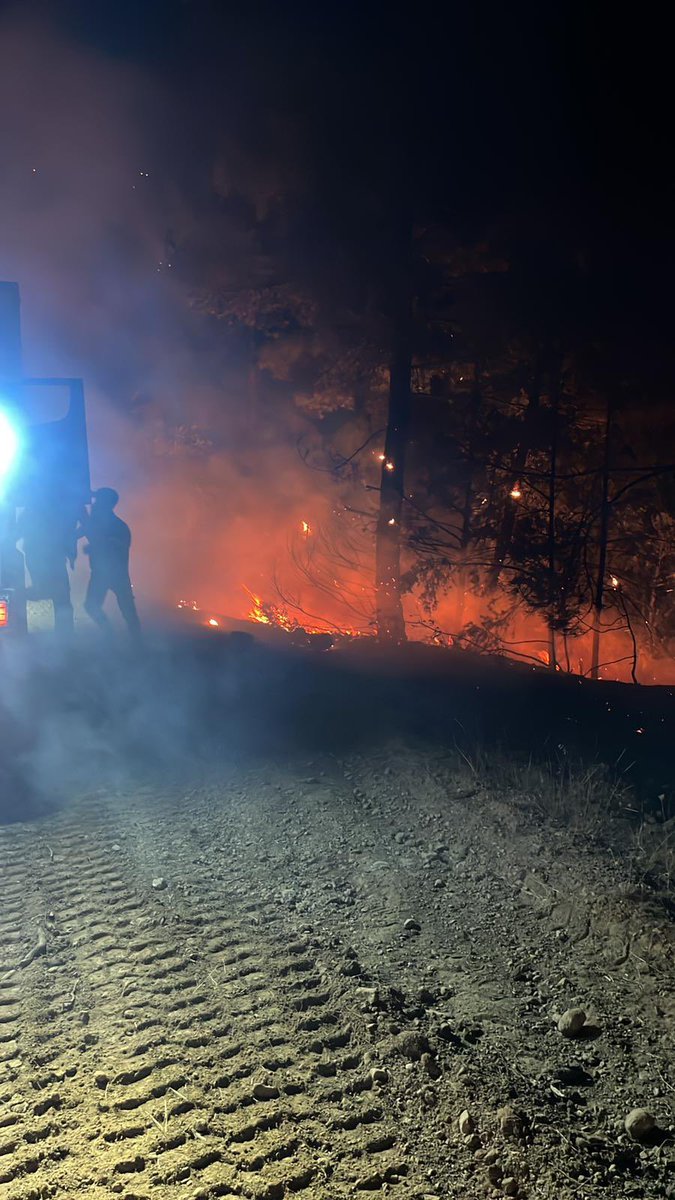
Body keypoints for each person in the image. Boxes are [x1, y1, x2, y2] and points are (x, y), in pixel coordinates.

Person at [81, 487, 141, 637]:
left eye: (98, 501)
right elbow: (84, 530)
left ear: (106, 504)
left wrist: (95, 547)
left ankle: (137, 643)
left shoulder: (118, 526)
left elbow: (114, 546)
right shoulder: (98, 523)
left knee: (128, 611)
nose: (94, 504)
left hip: (117, 574)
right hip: (100, 573)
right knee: (91, 606)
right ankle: (112, 635)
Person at [17, 490, 78, 636]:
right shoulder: (52, 513)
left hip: (44, 558)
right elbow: (68, 533)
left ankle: (65, 635)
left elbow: (17, 532)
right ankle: (65, 635)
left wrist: (70, 554)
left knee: (57, 596)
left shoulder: (30, 513)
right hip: (47, 559)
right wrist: (71, 554)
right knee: (59, 596)